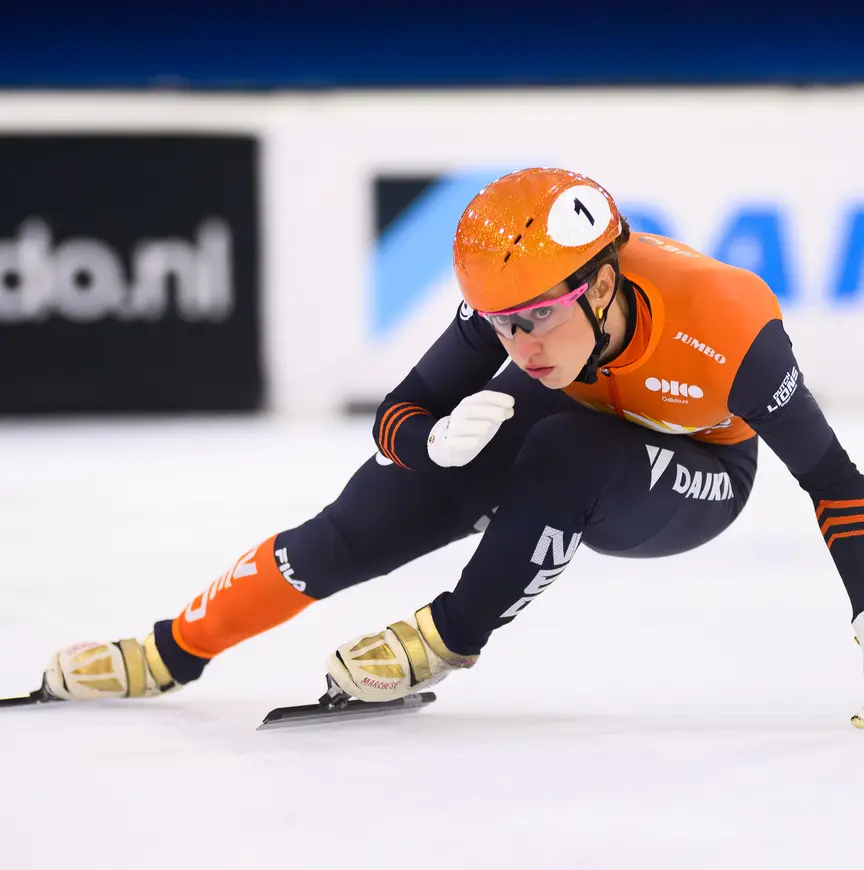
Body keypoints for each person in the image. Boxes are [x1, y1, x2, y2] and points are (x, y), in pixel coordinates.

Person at [42, 168, 864, 725]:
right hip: (572, 419)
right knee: (362, 521)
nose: (519, 340)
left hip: (701, 469)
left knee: (568, 449)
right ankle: (172, 649)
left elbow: (831, 478)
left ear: (603, 285)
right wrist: (430, 444)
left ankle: (448, 638)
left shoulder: (728, 324)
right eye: (502, 324)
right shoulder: (517, 305)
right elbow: (398, 415)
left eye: (536, 318)